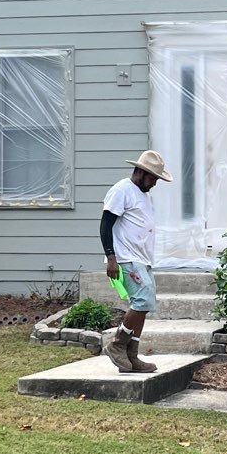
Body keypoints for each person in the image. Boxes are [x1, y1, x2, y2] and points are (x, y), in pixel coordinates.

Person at [100, 149, 171, 374]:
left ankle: (132, 355)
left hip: (142, 259)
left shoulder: (145, 195)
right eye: (153, 178)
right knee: (142, 300)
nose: (155, 183)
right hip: (126, 258)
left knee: (145, 303)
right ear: (141, 172)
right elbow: (105, 225)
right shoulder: (122, 190)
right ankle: (117, 345)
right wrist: (111, 258)